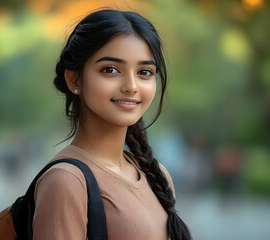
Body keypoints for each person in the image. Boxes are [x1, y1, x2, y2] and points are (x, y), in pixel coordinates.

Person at [32, 9, 192, 240]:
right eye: (110, 70)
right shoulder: (66, 181)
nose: (131, 86)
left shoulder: (157, 177)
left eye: (145, 72)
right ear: (74, 79)